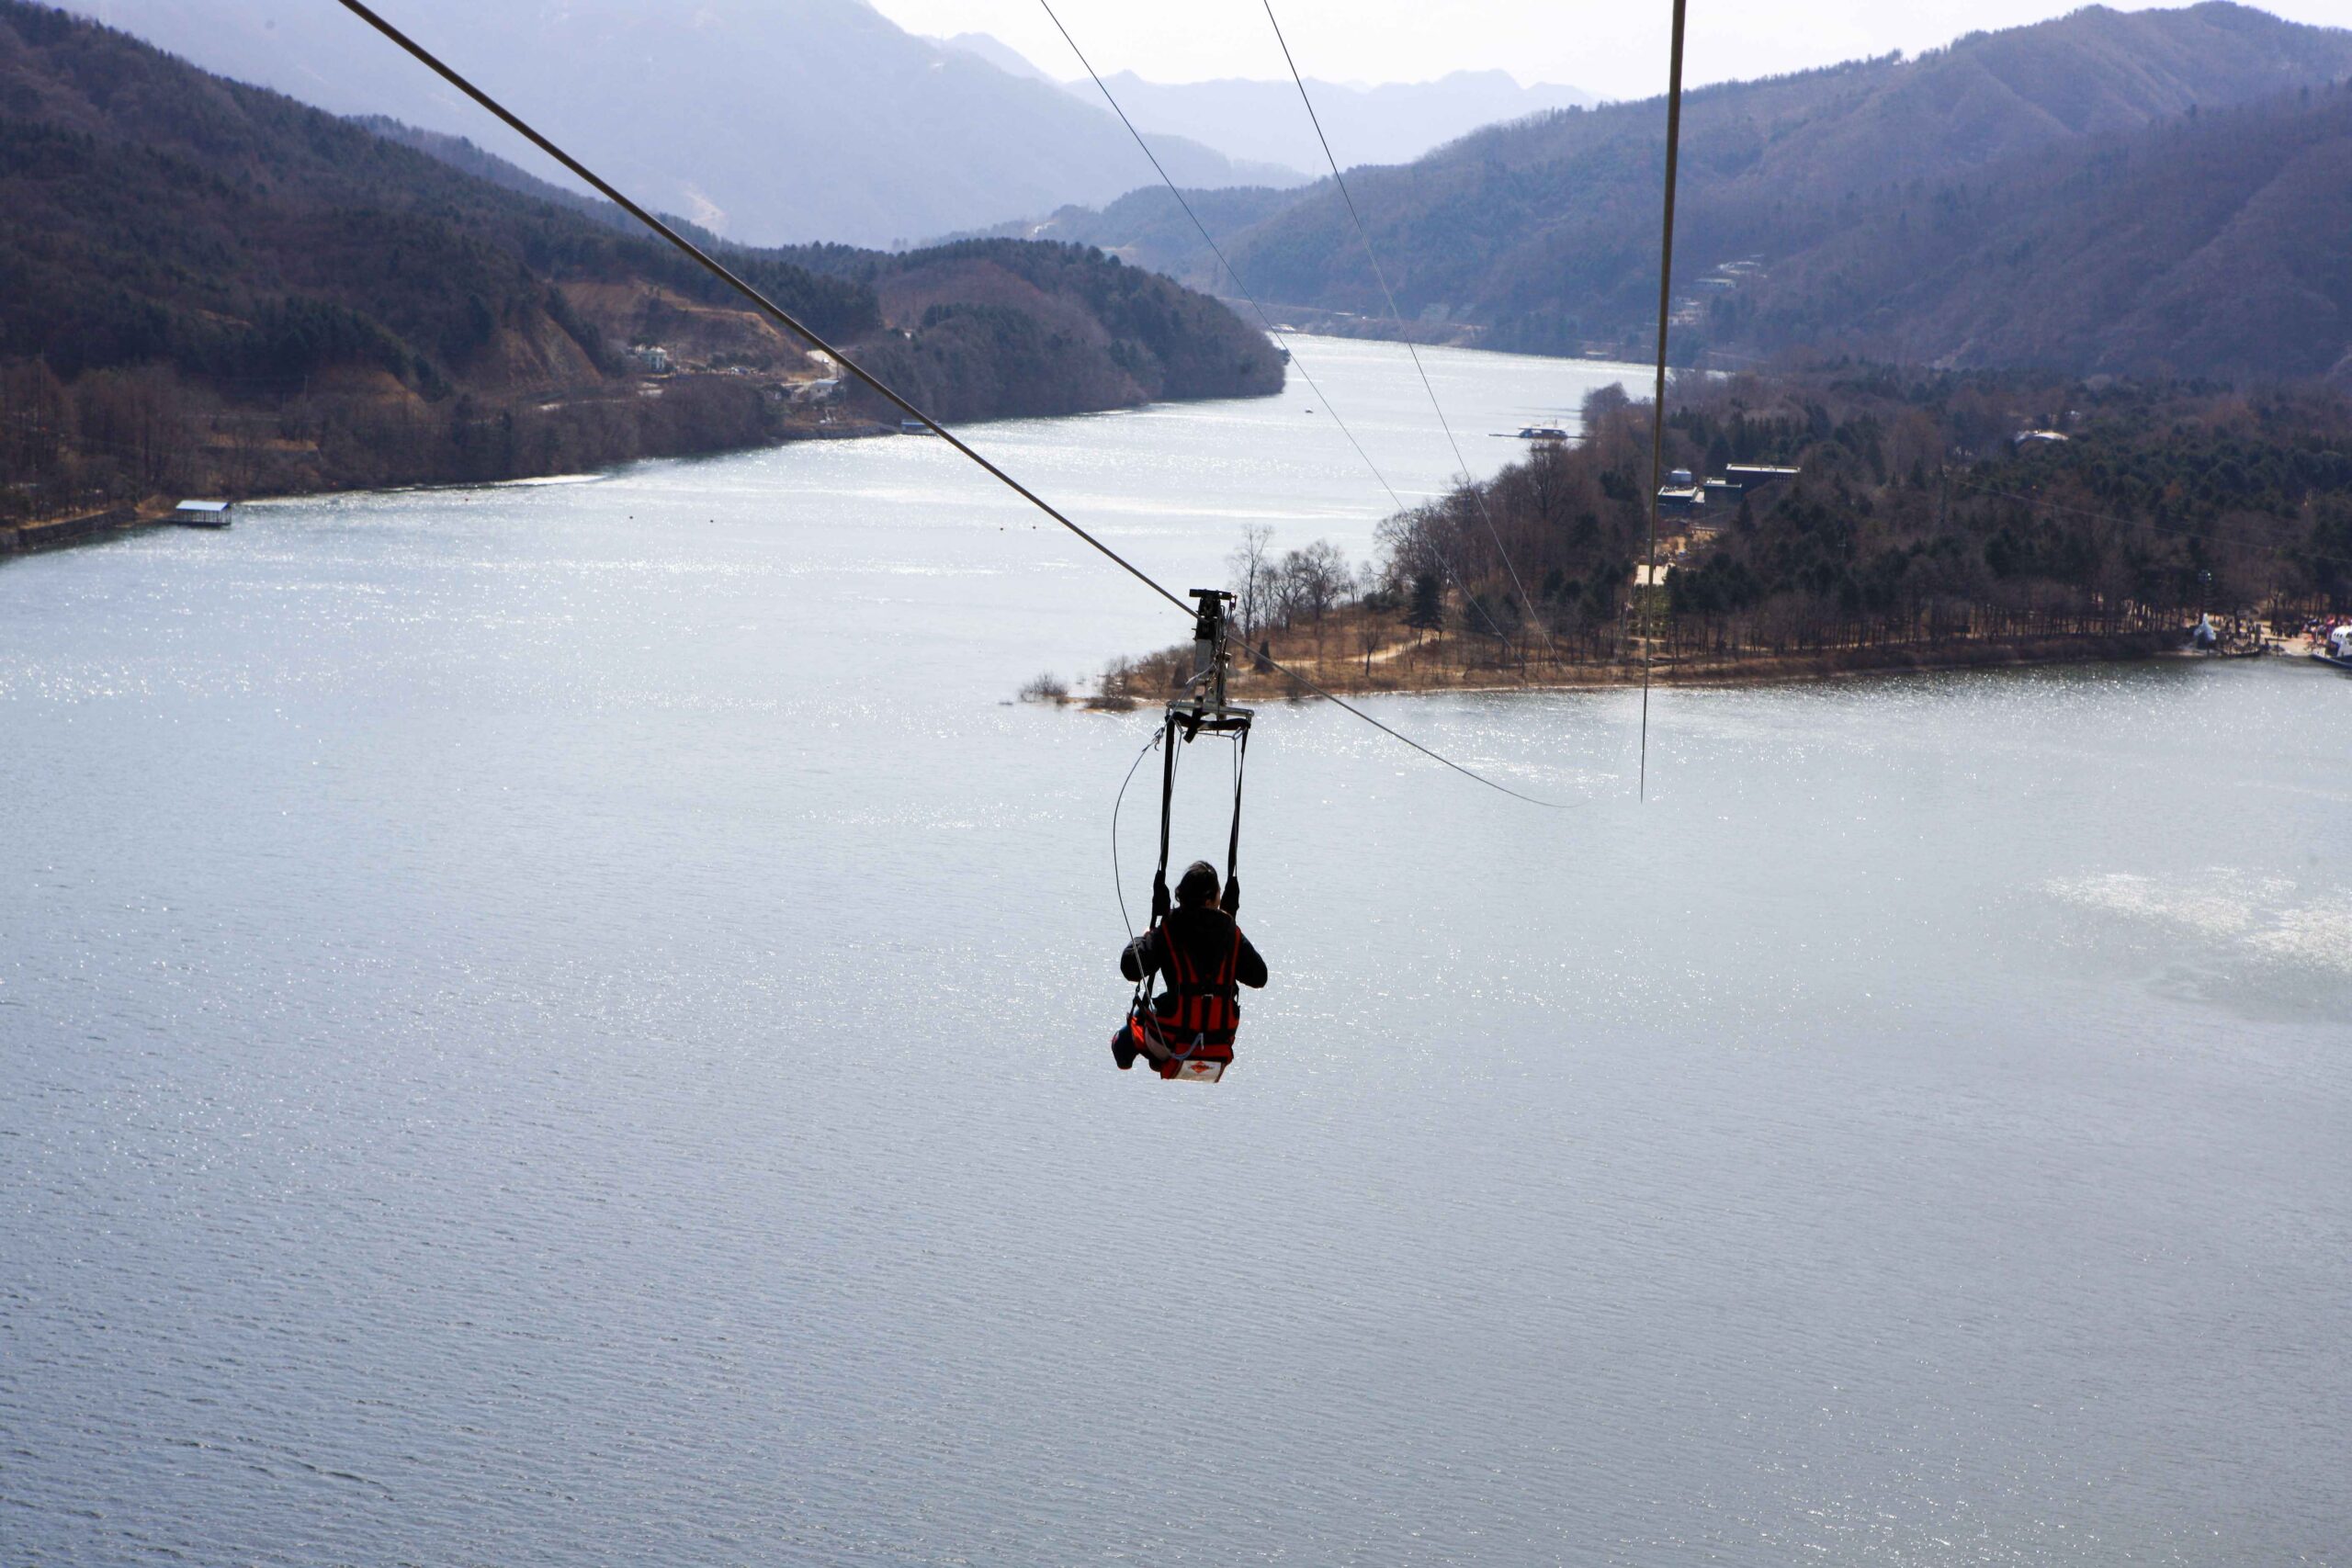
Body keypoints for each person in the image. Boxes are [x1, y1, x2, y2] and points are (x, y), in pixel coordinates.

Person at [1113, 860, 1268, 1071]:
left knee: (1136, 1023)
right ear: (1210, 899)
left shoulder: (1170, 929)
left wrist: (1145, 938)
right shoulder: (1231, 933)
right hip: (1217, 1041)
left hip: (1170, 1042)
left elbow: (1130, 968)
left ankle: (1125, 1059)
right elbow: (1259, 977)